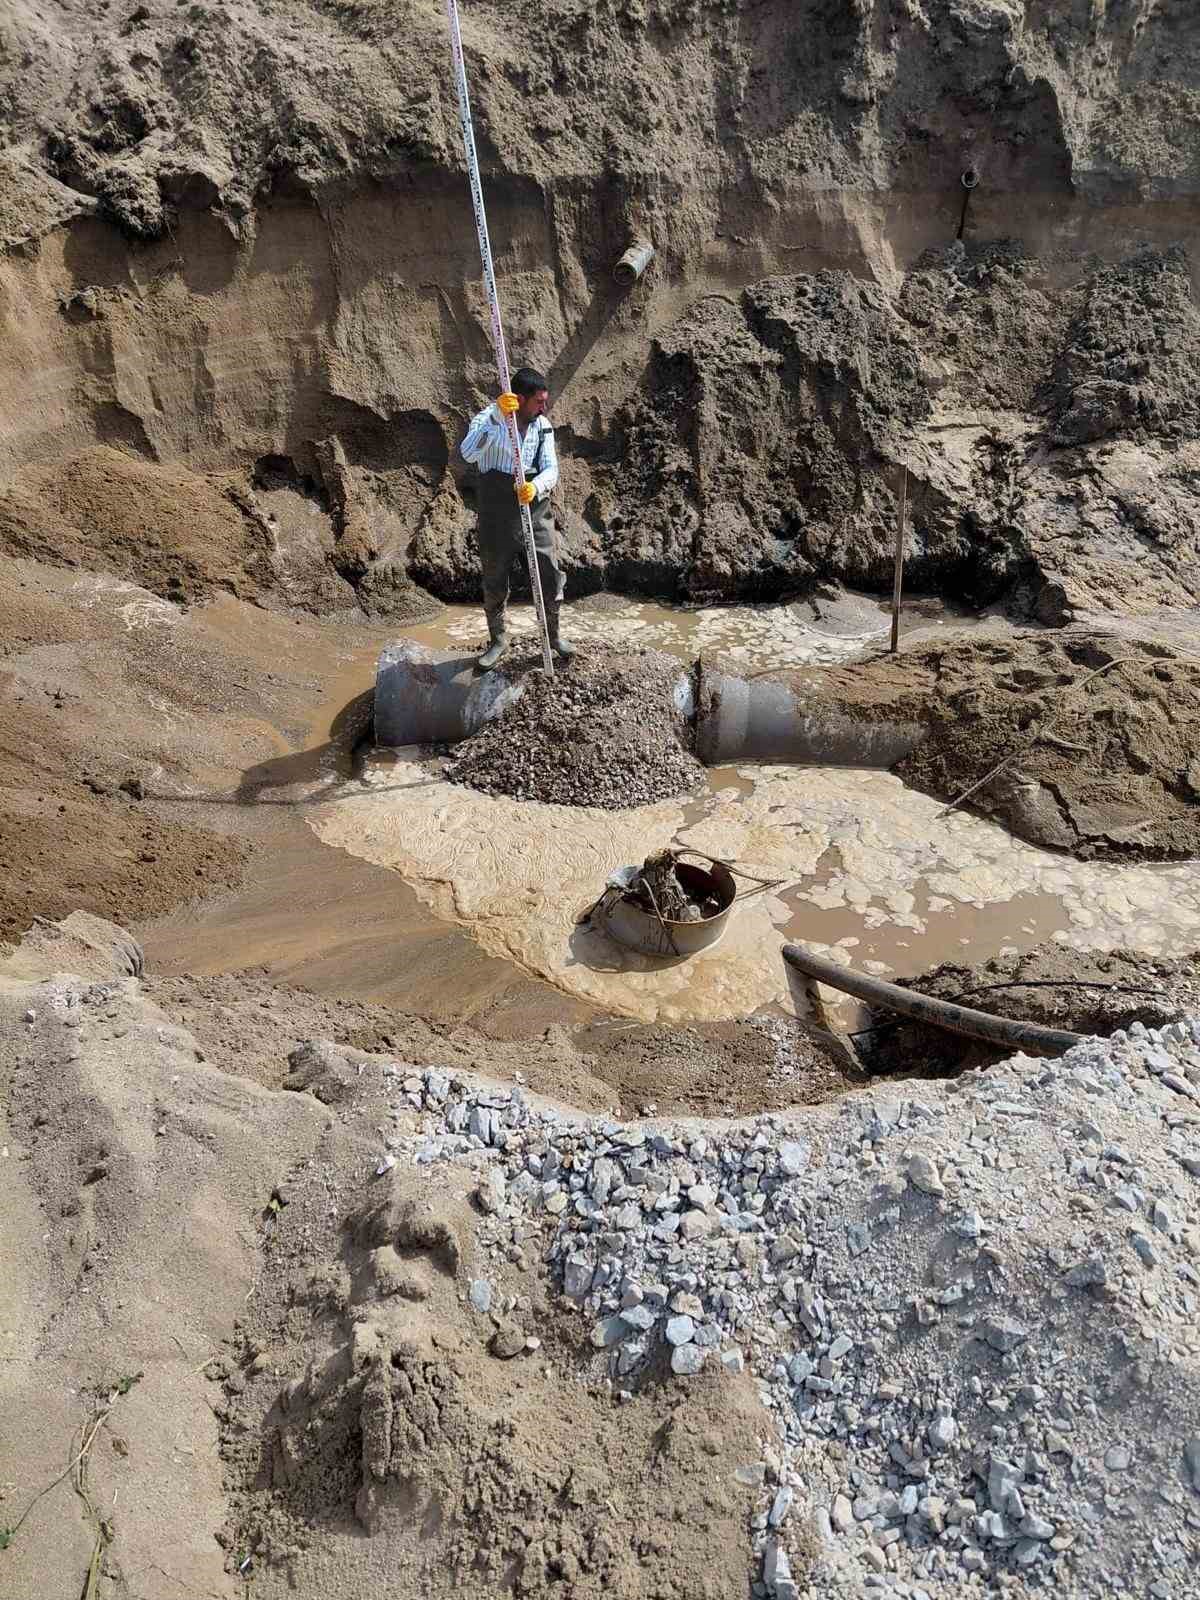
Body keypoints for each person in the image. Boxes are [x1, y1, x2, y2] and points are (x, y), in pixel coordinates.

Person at [459, 366, 573, 670]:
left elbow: (551, 469)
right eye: (539, 402)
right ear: (520, 399)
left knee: (549, 574)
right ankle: (498, 640)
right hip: (496, 515)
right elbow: (468, 454)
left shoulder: (542, 426)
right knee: (495, 578)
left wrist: (536, 486)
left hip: (535, 510)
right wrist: (497, 417)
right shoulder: (489, 418)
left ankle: (553, 636)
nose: (544, 408)